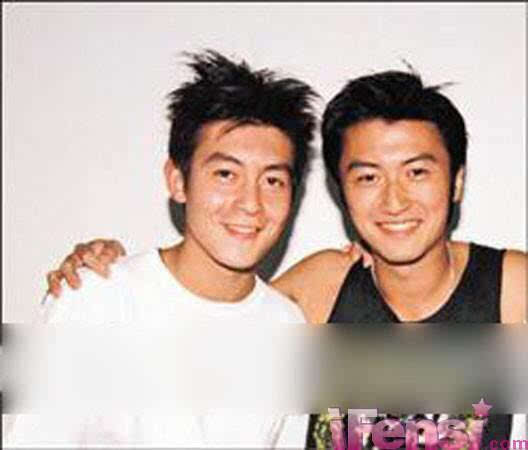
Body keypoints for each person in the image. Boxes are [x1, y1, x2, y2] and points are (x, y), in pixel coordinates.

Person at [44, 68, 526, 446]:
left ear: (456, 181)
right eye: (368, 177)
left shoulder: (513, 288)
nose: (394, 201)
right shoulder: (320, 288)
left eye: (417, 172)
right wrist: (103, 273)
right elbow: (204, 308)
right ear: (341, 191)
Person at [5, 49, 322, 447]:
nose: (250, 203)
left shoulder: (288, 326)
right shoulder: (93, 299)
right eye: (226, 174)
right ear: (177, 180)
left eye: (272, 180)